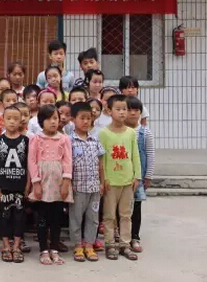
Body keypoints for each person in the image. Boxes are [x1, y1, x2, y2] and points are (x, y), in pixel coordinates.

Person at [29, 105, 73, 265]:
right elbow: (32, 161)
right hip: (42, 182)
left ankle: (54, 248)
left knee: (56, 218)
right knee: (42, 218)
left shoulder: (64, 139)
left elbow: (68, 161)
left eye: (55, 118)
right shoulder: (36, 139)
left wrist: (66, 182)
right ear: (41, 121)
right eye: (48, 119)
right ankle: (43, 250)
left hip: (58, 182)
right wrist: (36, 183)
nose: (53, 122)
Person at [98, 94, 141, 261]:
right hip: (111, 182)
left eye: (125, 109)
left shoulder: (131, 133)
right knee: (109, 216)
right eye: (118, 109)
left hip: (128, 181)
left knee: (125, 214)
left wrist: (137, 176)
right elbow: (102, 159)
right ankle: (110, 244)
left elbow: (135, 155)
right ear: (109, 111)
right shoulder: (104, 134)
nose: (122, 112)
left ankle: (125, 244)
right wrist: (103, 179)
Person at [0, 105, 29, 263]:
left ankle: (17, 246)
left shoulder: (26, 141)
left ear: (21, 121)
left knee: (19, 217)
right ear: (2, 121)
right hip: (4, 186)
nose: (12, 121)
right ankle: (6, 245)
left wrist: (28, 185)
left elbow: (29, 165)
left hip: (20, 186)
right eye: (9, 118)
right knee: (4, 216)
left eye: (16, 119)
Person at [69, 102, 105, 263]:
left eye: (88, 118)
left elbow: (100, 164)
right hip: (77, 188)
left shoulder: (95, 140)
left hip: (94, 187)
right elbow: (67, 165)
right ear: (73, 119)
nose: (85, 122)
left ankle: (89, 245)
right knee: (76, 218)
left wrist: (102, 183)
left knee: (93, 217)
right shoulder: (69, 141)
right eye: (82, 118)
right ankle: (78, 245)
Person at [125, 96, 155, 253]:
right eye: (129, 110)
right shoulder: (119, 131)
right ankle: (121, 237)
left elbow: (150, 154)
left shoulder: (145, 132)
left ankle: (134, 237)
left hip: (138, 178)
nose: (132, 113)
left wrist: (148, 176)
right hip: (121, 177)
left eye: (136, 110)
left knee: (136, 207)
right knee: (121, 209)